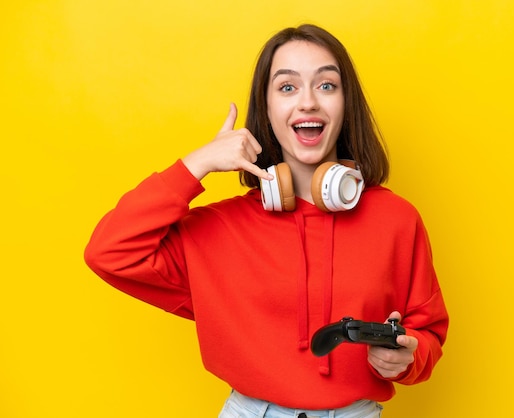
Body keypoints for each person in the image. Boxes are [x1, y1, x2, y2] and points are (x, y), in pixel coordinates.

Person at [84, 24, 449, 417]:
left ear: (346, 104)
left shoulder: (396, 219)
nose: (308, 102)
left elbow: (426, 335)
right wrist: (199, 163)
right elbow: (109, 251)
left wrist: (408, 358)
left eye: (326, 85)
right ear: (268, 109)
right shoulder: (220, 229)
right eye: (287, 87)